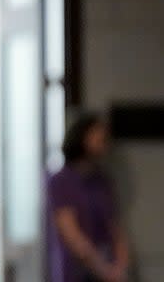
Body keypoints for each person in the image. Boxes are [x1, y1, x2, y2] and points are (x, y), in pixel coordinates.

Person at [48, 113, 130, 282]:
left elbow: (115, 227)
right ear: (82, 137)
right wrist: (102, 269)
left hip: (108, 265)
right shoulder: (61, 180)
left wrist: (120, 265)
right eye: (97, 135)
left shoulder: (102, 181)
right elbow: (71, 233)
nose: (103, 141)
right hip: (78, 271)